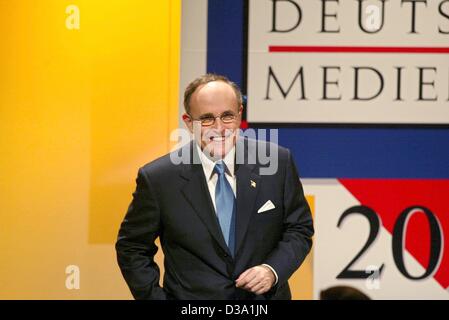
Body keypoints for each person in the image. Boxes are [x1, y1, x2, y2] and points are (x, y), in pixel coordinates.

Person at [115, 74, 314, 300]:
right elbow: (132, 248)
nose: (219, 128)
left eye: (227, 116)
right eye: (207, 119)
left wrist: (272, 270)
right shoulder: (159, 178)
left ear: (240, 113)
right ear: (189, 122)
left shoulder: (277, 163)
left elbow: (299, 229)